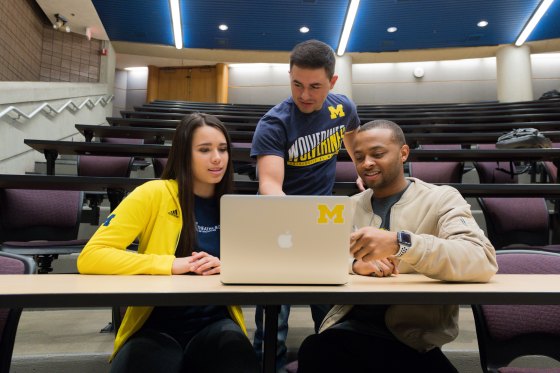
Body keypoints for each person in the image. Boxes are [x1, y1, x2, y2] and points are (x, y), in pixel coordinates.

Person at [297, 119, 498, 373]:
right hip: (348, 331)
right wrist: (355, 265)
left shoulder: (442, 198)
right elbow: (316, 258)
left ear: (403, 153)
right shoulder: (348, 207)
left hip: (413, 340)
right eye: (359, 157)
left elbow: (480, 259)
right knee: (317, 350)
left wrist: (399, 243)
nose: (366, 163)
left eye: (377, 154)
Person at [77, 113, 260, 373]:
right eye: (204, 150)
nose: (217, 158)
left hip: (216, 323)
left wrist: (227, 265)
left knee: (239, 362)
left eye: (222, 149)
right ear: (184, 154)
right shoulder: (153, 194)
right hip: (153, 326)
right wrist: (171, 264)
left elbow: (259, 265)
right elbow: (91, 256)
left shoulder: (233, 205)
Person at [249, 39, 362, 371]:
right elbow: (269, 184)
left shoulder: (344, 108)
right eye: (296, 84)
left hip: (322, 221)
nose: (304, 94)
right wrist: (295, 222)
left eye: (315, 86)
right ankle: (268, 364)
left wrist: (360, 167)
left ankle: (328, 363)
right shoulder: (275, 123)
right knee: (273, 316)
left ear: (333, 82)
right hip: (277, 221)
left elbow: (353, 134)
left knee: (329, 309)